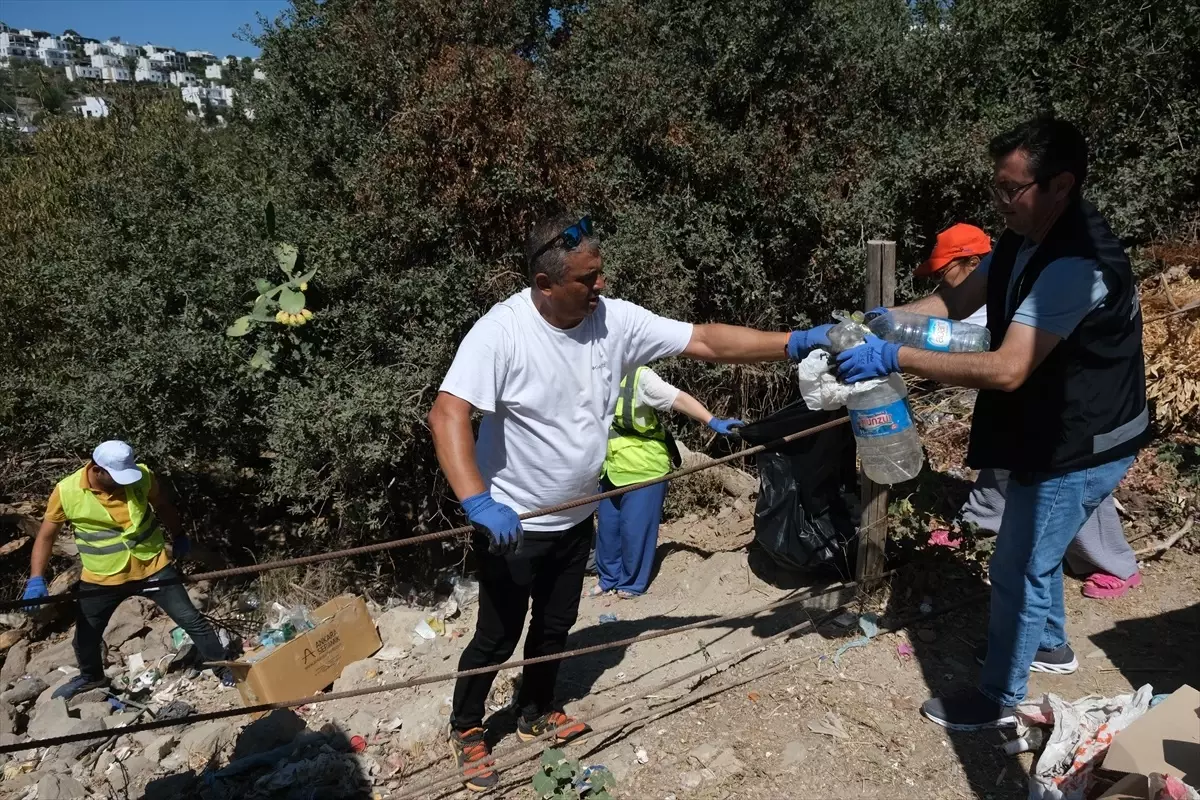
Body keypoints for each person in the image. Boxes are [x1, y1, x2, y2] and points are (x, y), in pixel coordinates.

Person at [428, 211, 829, 791]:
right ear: (545, 285)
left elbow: (704, 339)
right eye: (588, 279)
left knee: (557, 624)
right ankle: (467, 727)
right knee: (497, 633)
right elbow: (448, 412)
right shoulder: (501, 332)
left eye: (599, 275)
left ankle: (536, 710)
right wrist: (477, 502)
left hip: (577, 516)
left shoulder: (611, 319)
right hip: (512, 524)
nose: (601, 288)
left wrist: (793, 342)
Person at [824, 114, 1150, 730]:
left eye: (1012, 190)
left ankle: (998, 699)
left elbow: (1007, 368)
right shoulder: (1025, 238)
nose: (1000, 203)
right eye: (995, 188)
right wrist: (879, 323)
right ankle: (1049, 644)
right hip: (1052, 425)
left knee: (1019, 562)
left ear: (1061, 185)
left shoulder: (1076, 266)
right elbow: (955, 301)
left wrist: (895, 356)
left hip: (1082, 439)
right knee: (1039, 549)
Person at [920, 223, 1143, 599]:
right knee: (1008, 460)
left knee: (1076, 485)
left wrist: (900, 355)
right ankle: (978, 524)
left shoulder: (1071, 266)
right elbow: (952, 312)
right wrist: (887, 323)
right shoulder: (1010, 258)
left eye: (944, 273)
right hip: (1030, 398)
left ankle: (1114, 565)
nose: (940, 282)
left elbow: (997, 361)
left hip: (1080, 410)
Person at [21, 441, 233, 699]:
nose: (124, 482)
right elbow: (45, 537)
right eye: (117, 477)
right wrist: (36, 579)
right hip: (102, 576)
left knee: (191, 620)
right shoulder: (67, 491)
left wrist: (179, 535)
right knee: (86, 638)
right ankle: (92, 678)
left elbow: (163, 505)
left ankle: (223, 667)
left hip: (151, 565)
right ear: (97, 470)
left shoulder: (141, 475)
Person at [590, 366, 744, 599]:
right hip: (611, 467)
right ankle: (608, 578)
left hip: (644, 467)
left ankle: (631, 583)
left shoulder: (639, 377)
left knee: (635, 530)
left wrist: (712, 421)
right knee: (608, 530)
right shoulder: (593, 373)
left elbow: (678, 399)